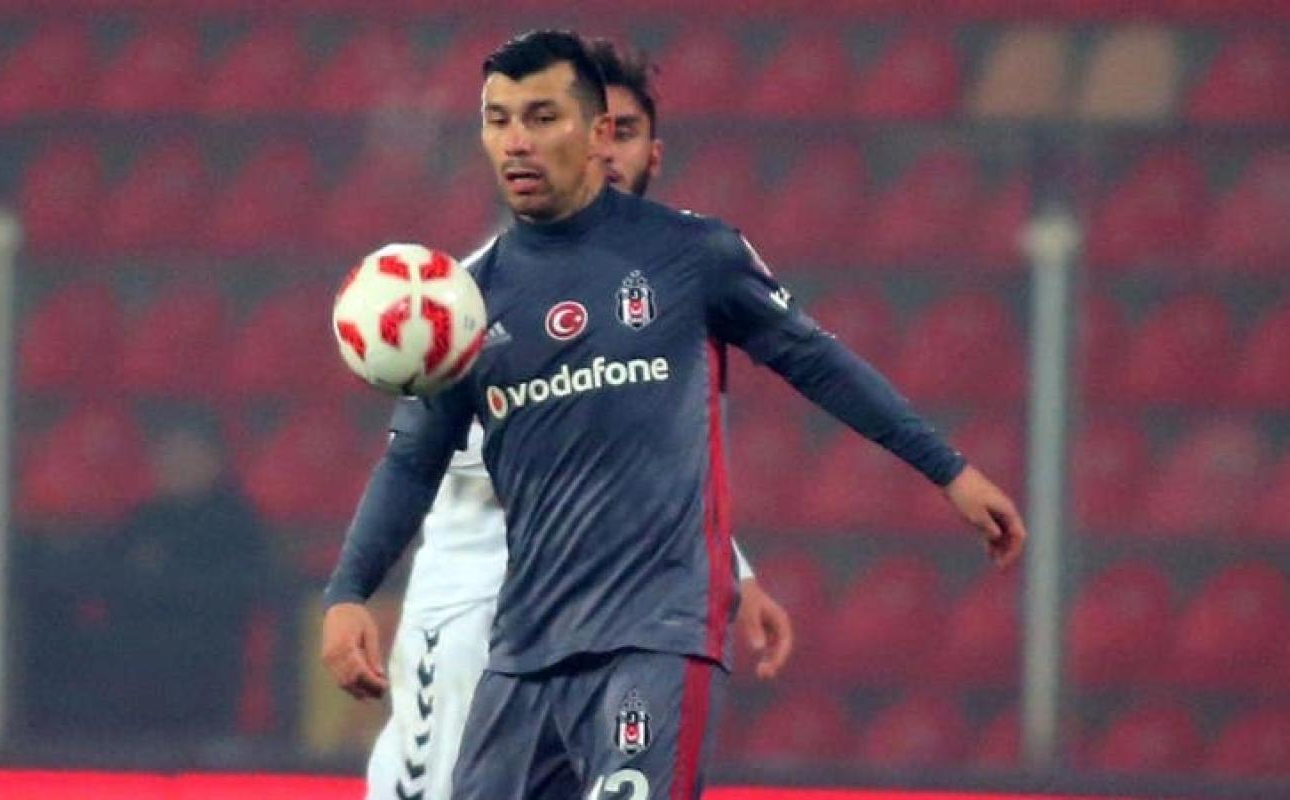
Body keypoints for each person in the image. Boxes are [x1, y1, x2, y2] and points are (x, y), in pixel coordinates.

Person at [323, 29, 1026, 800]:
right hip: (523, 652)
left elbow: (816, 361)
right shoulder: (468, 302)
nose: (517, 141)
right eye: (499, 120)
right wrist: (349, 592)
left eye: (542, 117)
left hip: (652, 639)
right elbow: (412, 462)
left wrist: (948, 470)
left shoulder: (693, 255)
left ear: (597, 133)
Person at [359, 38, 792, 800]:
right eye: (598, 130)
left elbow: (643, 464)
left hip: (599, 628)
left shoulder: (663, 290)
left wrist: (735, 570)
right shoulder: (475, 301)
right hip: (472, 622)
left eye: (625, 132)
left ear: (651, 153)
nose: (607, 151)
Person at [98, 414, 268, 738]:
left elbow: (237, 595)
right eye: (169, 452)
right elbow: (111, 582)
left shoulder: (237, 524)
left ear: (215, 460)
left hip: (209, 678)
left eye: (188, 452)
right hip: (139, 683)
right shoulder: (142, 521)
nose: (176, 463)